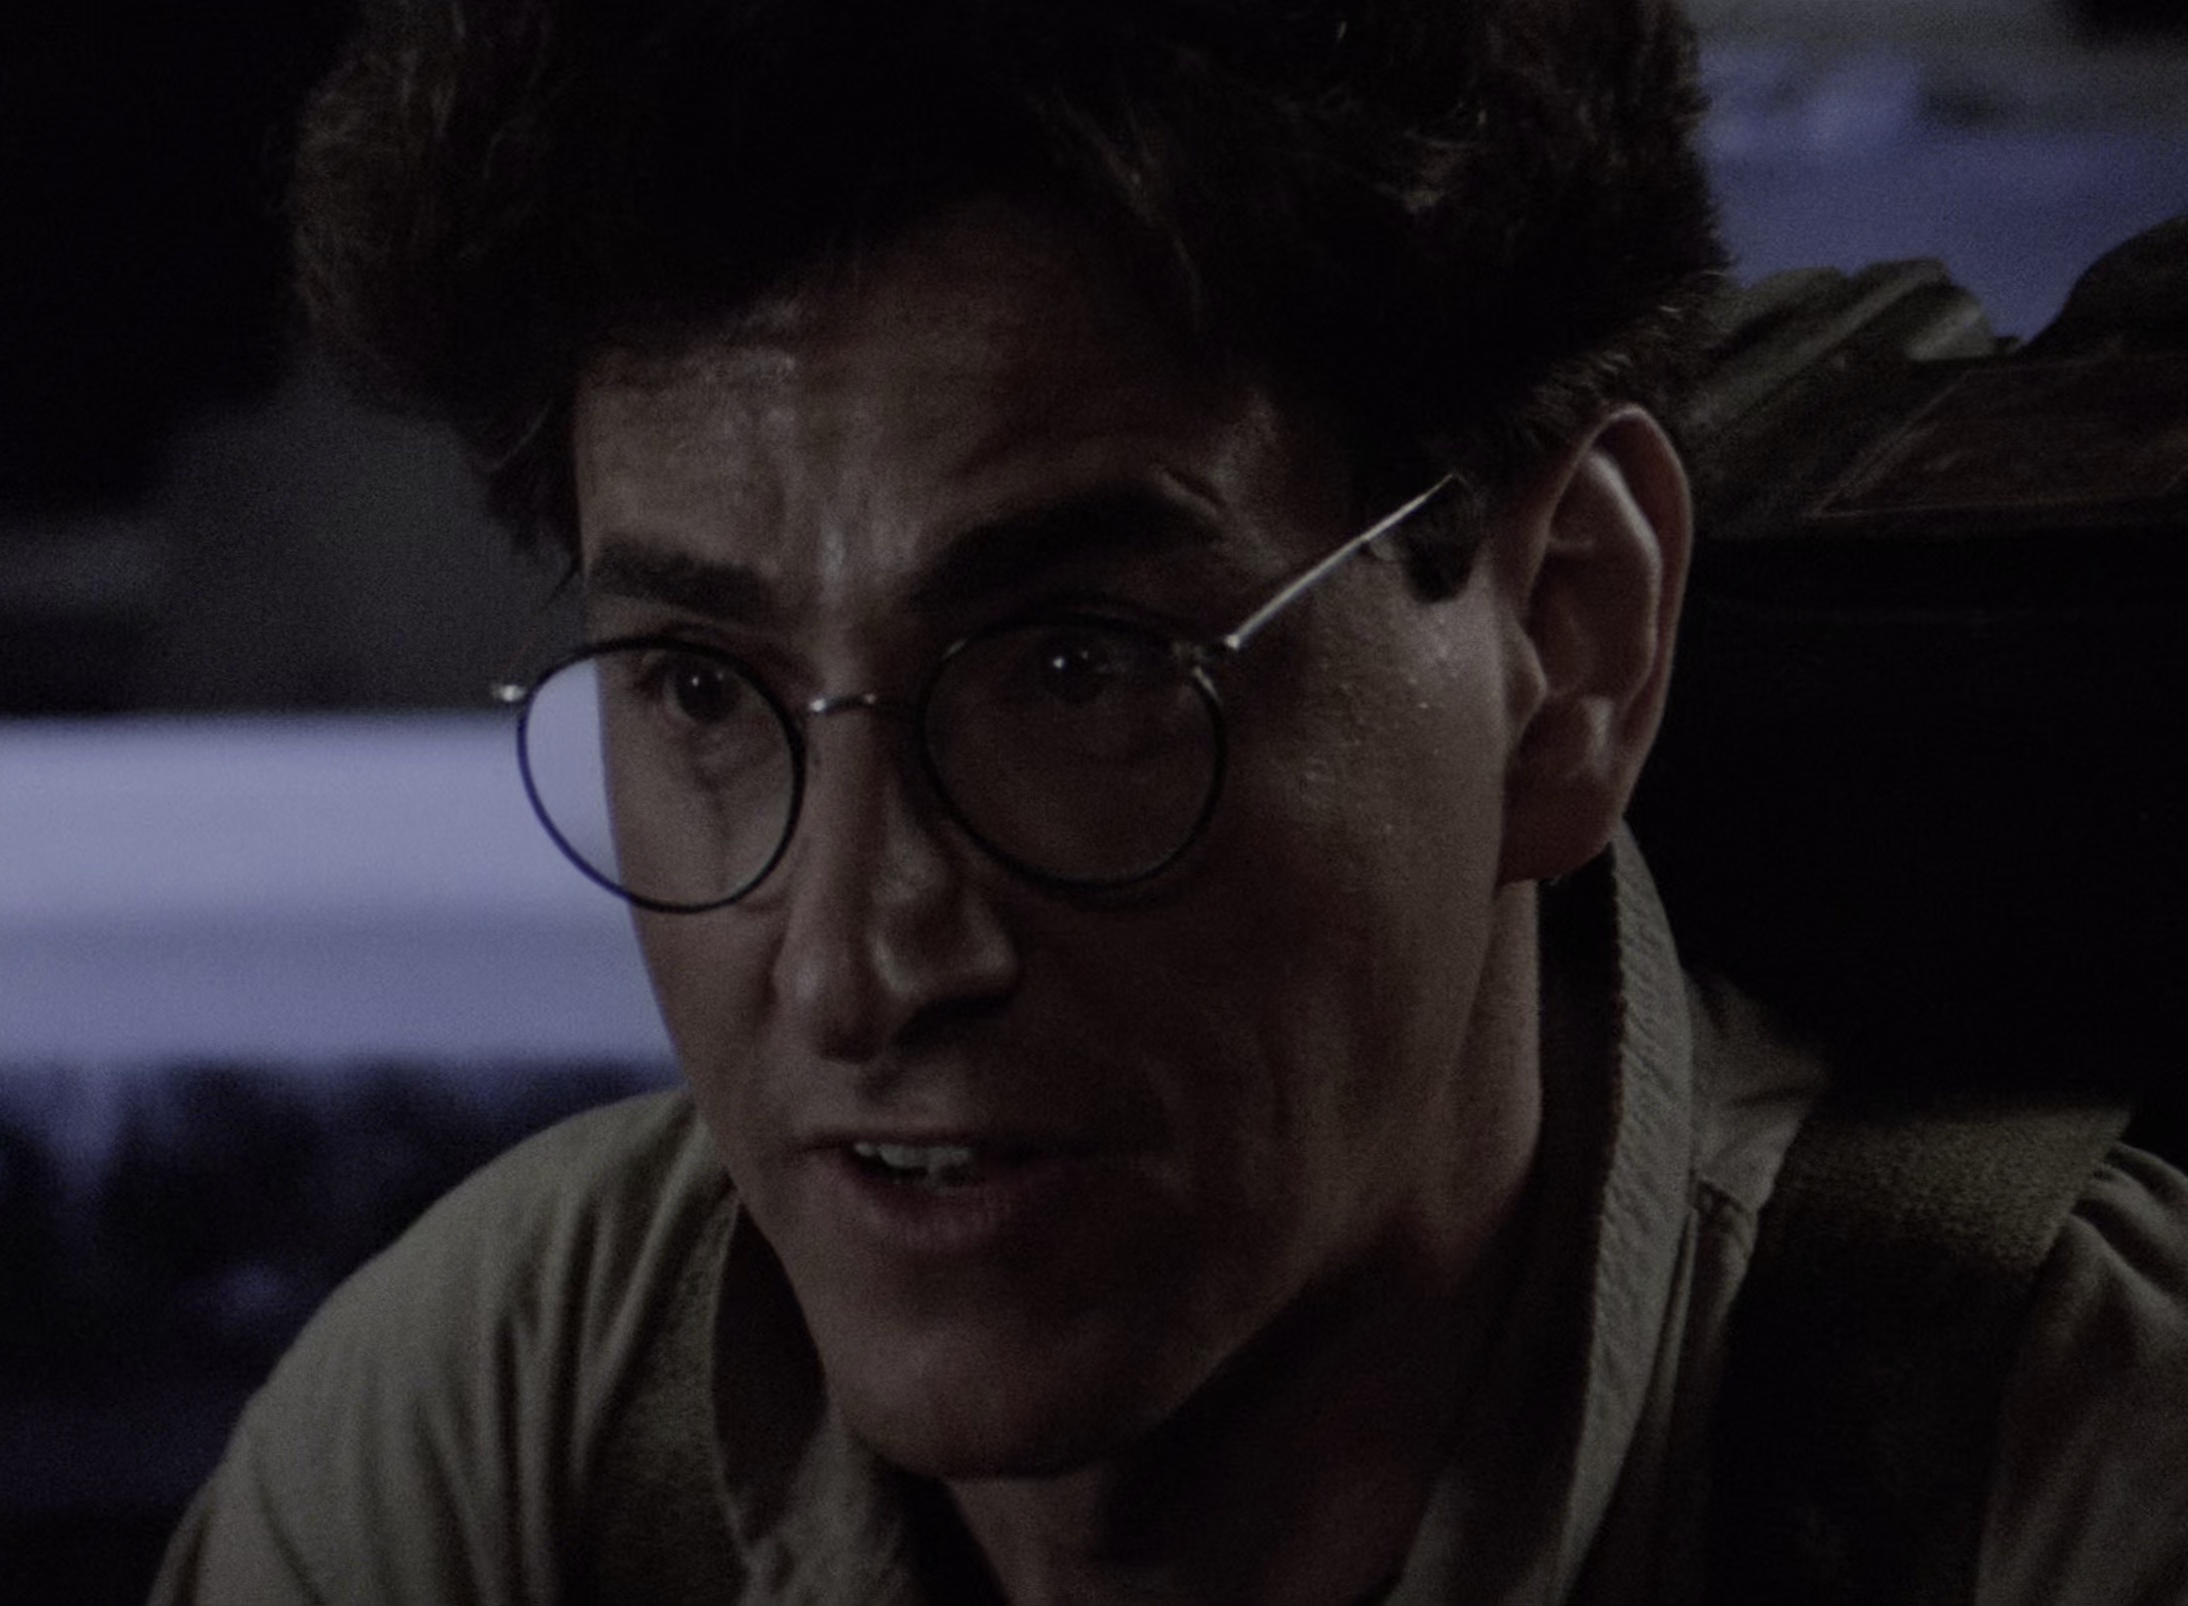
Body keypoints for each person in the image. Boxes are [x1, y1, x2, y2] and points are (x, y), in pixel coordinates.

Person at [151, 2, 2188, 1602]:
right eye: (702, 685)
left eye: (1081, 667)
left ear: (1566, 641)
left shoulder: (2074, 1480)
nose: (857, 962)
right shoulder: (511, 1431)